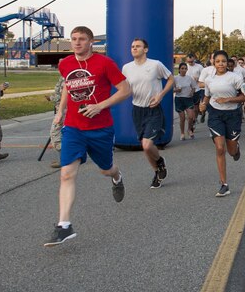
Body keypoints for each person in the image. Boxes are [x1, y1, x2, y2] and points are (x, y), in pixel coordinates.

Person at [44, 26, 131, 247]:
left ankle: (117, 177)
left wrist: (100, 106)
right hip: (74, 127)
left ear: (91, 41)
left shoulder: (104, 63)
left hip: (100, 128)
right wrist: (61, 110)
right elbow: (67, 85)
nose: (77, 43)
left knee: (106, 169)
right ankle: (64, 225)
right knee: (66, 175)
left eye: (82, 39)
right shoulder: (65, 64)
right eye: (73, 39)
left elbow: (125, 89)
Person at [122, 38, 173, 189]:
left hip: (153, 109)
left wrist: (160, 95)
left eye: (138, 46)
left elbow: (171, 79)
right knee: (145, 146)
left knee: (146, 144)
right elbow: (125, 88)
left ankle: (160, 161)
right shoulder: (126, 68)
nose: (134, 48)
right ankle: (157, 171)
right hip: (137, 110)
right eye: (132, 46)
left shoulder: (155, 65)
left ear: (146, 49)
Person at [198, 50, 245, 197]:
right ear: (213, 63)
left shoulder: (235, 77)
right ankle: (224, 184)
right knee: (220, 148)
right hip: (215, 114)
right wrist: (203, 104)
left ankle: (236, 149)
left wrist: (228, 100)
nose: (221, 64)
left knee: (231, 151)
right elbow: (207, 95)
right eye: (218, 61)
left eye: (223, 61)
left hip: (233, 115)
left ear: (228, 63)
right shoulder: (209, 79)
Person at [173, 62, 197, 140]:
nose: (184, 70)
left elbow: (194, 87)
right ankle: (182, 133)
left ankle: (189, 129)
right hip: (179, 99)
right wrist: (176, 90)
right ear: (179, 69)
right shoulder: (175, 78)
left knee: (190, 117)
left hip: (188, 99)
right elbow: (171, 89)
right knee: (182, 118)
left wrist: (192, 92)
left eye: (185, 68)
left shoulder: (189, 78)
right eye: (182, 68)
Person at [47, 72, 66, 168]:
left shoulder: (65, 78)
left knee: (55, 134)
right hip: (66, 110)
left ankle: (63, 159)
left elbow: (62, 96)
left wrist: (50, 98)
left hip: (63, 111)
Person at [185, 53, 205, 128]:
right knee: (189, 108)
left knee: (196, 108)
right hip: (187, 90)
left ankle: (195, 119)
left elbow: (204, 77)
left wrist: (199, 78)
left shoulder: (199, 67)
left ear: (194, 59)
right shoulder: (185, 66)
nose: (190, 63)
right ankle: (191, 121)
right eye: (188, 61)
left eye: (191, 61)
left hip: (197, 89)